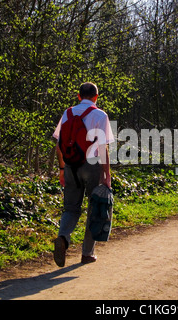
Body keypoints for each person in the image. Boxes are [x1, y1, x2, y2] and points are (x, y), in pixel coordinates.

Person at [52, 82, 114, 267]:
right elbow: (103, 147)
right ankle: (87, 253)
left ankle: (63, 237)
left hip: (71, 165)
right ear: (96, 97)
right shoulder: (100, 115)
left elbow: (59, 145)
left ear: (78, 96)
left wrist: (62, 169)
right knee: (94, 208)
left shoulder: (67, 113)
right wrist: (107, 174)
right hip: (92, 164)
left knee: (71, 208)